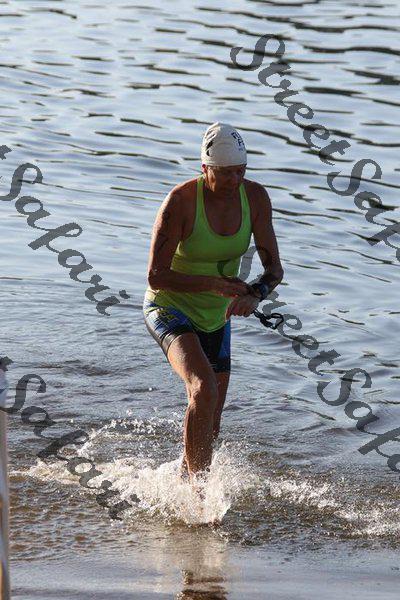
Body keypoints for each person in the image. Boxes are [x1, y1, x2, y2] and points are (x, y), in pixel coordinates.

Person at [142, 122, 284, 484]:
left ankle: (182, 481)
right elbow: (156, 276)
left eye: (241, 171)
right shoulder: (181, 202)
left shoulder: (255, 198)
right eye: (225, 173)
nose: (235, 181)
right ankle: (199, 497)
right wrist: (214, 284)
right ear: (205, 169)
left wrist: (255, 294)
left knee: (212, 421)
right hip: (168, 307)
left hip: (215, 317)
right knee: (203, 389)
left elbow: (274, 270)